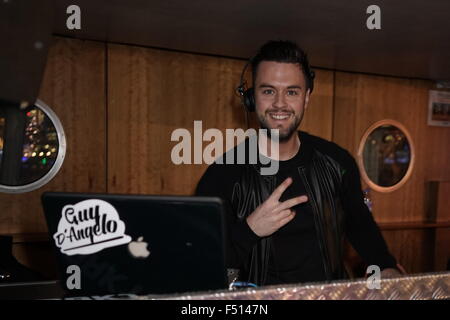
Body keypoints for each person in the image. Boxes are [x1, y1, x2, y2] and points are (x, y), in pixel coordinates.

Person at [195, 40, 402, 286]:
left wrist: (386, 266)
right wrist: (249, 230)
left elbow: (361, 227)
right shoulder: (223, 174)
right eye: (268, 91)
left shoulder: (337, 162)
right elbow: (201, 263)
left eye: (291, 91)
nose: (280, 103)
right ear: (252, 99)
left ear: (306, 98)